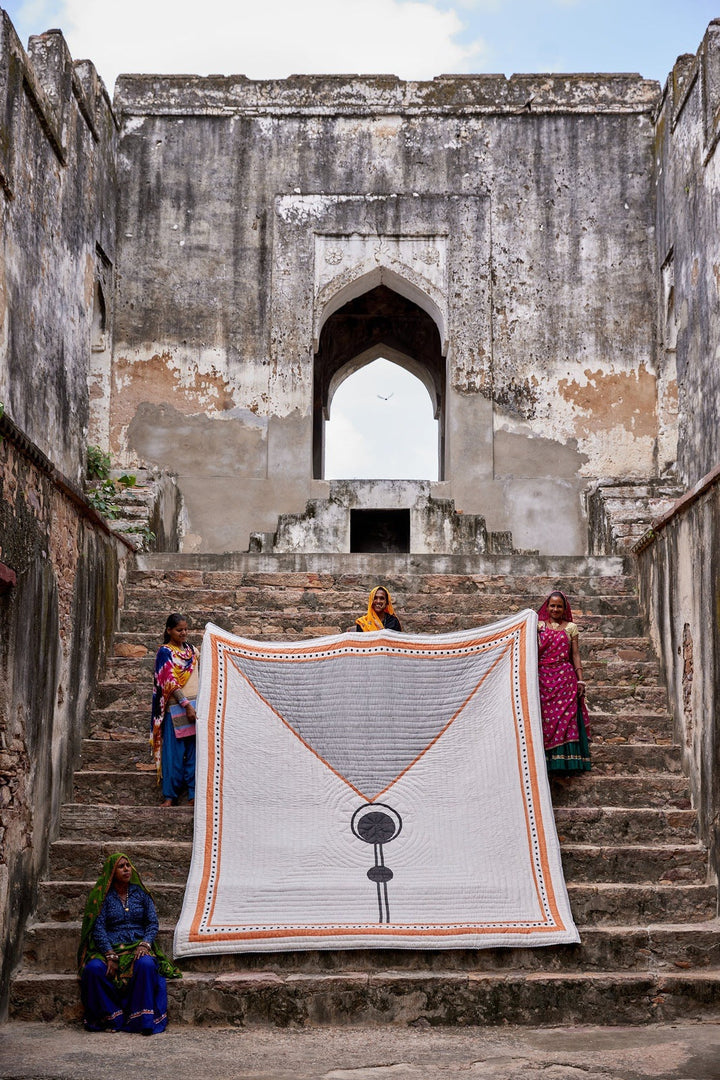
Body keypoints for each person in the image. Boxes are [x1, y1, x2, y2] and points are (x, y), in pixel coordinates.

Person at [78, 852, 181, 1033]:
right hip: (110, 947)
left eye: (128, 865)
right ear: (111, 872)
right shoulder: (103, 898)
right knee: (93, 970)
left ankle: (142, 1021)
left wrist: (145, 944)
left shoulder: (141, 894)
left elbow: (152, 923)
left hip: (137, 945)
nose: (127, 869)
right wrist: (109, 953)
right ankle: (113, 1018)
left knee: (147, 963)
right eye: (121, 866)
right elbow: (98, 927)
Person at [536, 590, 591, 773]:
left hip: (565, 681)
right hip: (543, 679)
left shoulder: (570, 628)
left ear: (564, 608)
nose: (555, 609)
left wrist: (580, 680)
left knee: (565, 721)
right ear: (547, 606)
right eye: (552, 605)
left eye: (559, 606)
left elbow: (575, 654)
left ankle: (566, 764)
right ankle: (546, 762)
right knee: (546, 721)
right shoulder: (538, 627)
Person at [151, 613, 199, 807]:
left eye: (186, 629)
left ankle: (193, 794)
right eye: (179, 630)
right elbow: (169, 682)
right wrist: (186, 705)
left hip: (197, 707)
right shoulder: (165, 652)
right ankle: (170, 796)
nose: (184, 633)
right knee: (174, 755)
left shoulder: (192, 651)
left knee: (195, 754)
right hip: (176, 709)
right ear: (169, 630)